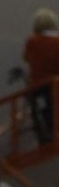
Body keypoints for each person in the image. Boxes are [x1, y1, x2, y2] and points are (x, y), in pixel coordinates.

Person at [23, 8, 59, 143]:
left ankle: (45, 134)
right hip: (55, 86)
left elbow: (26, 58)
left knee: (43, 113)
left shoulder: (31, 42)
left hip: (37, 87)